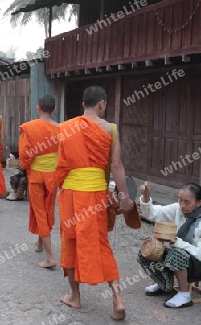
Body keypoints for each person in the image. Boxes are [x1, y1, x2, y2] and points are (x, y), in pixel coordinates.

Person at [56, 86, 133, 321]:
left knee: (70, 242)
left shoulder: (66, 127)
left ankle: (75, 297)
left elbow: (61, 165)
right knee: (100, 244)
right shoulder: (111, 129)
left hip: (71, 193)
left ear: (83, 105)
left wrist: (59, 188)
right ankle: (117, 299)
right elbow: (117, 166)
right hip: (96, 194)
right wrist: (124, 196)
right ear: (102, 104)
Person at [137, 182, 201, 308]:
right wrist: (146, 197)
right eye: (180, 200)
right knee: (149, 249)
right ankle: (164, 283)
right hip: (184, 255)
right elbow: (153, 214)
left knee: (176, 253)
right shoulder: (178, 209)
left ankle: (184, 294)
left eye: (187, 202)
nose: (182, 205)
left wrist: (177, 242)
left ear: (199, 203)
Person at [19, 95, 60, 268]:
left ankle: (51, 258)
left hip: (36, 175)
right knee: (47, 210)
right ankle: (40, 243)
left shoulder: (30, 128)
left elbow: (25, 155)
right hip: (53, 176)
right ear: (54, 109)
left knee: (40, 212)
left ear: (38, 108)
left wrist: (26, 167)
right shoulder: (62, 129)